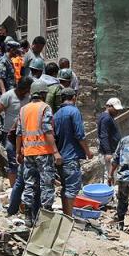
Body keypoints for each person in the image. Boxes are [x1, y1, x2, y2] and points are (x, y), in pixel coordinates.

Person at [17, 80, 60, 224]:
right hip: (43, 152)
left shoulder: (23, 109)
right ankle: (46, 218)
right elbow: (47, 130)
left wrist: (19, 152)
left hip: (28, 152)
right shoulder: (45, 108)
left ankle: (28, 217)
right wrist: (55, 152)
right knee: (46, 184)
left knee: (29, 184)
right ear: (42, 93)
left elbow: (19, 133)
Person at [0, 76, 33, 201]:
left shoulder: (29, 98)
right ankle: (14, 189)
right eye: (24, 90)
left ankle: (23, 187)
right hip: (9, 135)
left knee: (25, 161)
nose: (24, 93)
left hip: (25, 135)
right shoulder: (8, 96)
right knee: (12, 161)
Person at [52, 88, 91, 216]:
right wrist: (88, 152)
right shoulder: (74, 112)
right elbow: (80, 135)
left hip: (61, 157)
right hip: (71, 157)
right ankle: (68, 217)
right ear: (74, 97)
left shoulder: (57, 114)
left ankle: (66, 215)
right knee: (72, 189)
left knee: (65, 188)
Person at [98, 98, 124, 183]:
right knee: (109, 175)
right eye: (116, 109)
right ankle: (108, 194)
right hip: (109, 152)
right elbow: (103, 135)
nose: (117, 112)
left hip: (111, 151)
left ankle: (109, 193)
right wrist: (108, 152)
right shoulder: (106, 118)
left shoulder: (108, 117)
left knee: (111, 174)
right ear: (108, 106)